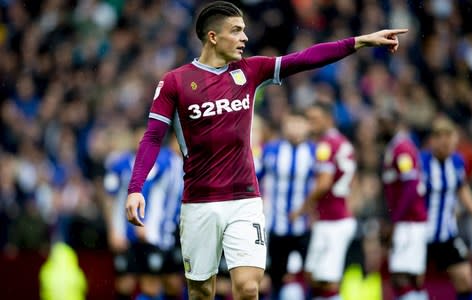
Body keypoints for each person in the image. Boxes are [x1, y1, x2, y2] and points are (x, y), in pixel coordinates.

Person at [125, 1, 408, 298]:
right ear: (212, 37)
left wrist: (359, 42)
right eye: (236, 31)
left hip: (245, 200)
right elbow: (153, 138)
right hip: (199, 202)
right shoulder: (175, 82)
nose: (245, 38)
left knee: (248, 287)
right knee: (201, 293)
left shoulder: (250, 71)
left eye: (244, 31)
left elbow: (305, 58)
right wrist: (135, 188)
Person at [104, 132, 184, 300]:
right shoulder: (162, 160)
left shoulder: (182, 162)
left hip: (172, 231)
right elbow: (143, 185)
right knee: (145, 284)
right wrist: (143, 221)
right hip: (151, 232)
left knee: (172, 283)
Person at [290, 102, 357, 300]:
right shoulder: (341, 142)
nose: (310, 124)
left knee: (327, 280)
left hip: (334, 221)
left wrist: (301, 209)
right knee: (313, 275)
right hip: (333, 218)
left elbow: (323, 184)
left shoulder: (325, 145)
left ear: (328, 119)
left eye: (314, 120)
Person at [256, 111, 314, 299]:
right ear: (284, 125)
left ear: (307, 127)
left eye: (300, 124)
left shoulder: (315, 151)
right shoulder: (270, 150)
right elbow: (255, 178)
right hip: (275, 226)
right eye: (291, 123)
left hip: (303, 227)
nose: (295, 128)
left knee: (309, 276)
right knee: (275, 278)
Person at [421, 117, 472, 300]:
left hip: (446, 233)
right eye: (440, 137)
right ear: (433, 140)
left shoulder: (456, 161)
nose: (446, 143)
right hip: (421, 233)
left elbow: (462, 189)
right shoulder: (420, 162)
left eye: (450, 137)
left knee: (465, 279)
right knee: (413, 281)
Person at [380, 112, 428, 300]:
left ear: (395, 123)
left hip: (409, 221)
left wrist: (395, 219)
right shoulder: (396, 147)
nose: (380, 128)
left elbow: (411, 186)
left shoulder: (402, 148)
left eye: (383, 123)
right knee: (410, 276)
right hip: (407, 220)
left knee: (402, 275)